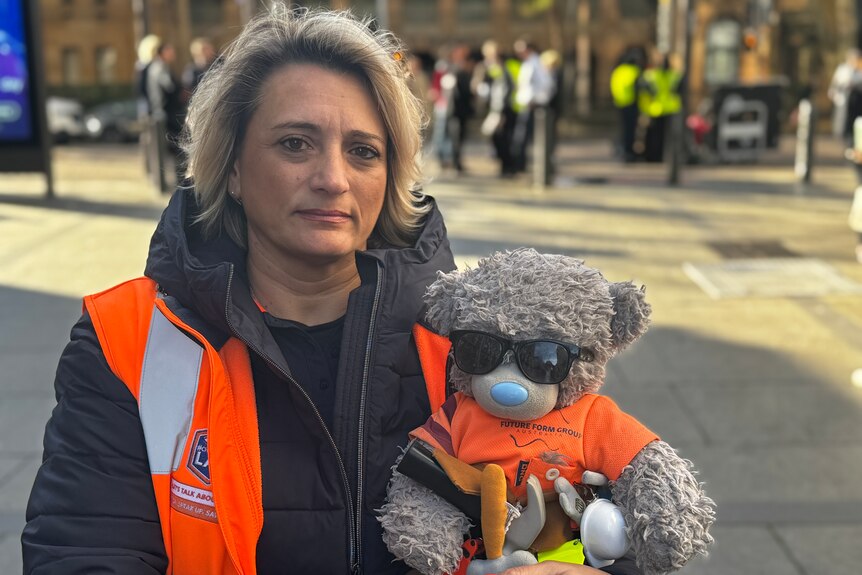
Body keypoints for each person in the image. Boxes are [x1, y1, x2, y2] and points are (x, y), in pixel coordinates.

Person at [21, 7, 458, 574]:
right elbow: (84, 550)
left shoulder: (468, 340)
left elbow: (581, 511)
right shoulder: (127, 342)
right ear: (230, 170)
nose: (333, 177)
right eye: (296, 144)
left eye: (363, 151)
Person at [511, 38, 555, 174]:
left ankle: (528, 166)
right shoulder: (528, 63)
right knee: (523, 137)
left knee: (528, 137)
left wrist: (535, 99)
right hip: (526, 105)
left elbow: (546, 84)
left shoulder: (536, 63)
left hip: (532, 106)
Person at [146, 41, 185, 192]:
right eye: (169, 50)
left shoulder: (159, 67)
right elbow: (169, 87)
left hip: (166, 113)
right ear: (162, 52)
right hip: (168, 114)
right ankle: (178, 183)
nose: (172, 52)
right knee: (175, 149)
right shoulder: (159, 68)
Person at [610, 48, 643, 163]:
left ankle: (622, 149)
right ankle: (629, 152)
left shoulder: (618, 71)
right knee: (630, 130)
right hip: (631, 104)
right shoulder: (634, 71)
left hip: (619, 103)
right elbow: (639, 88)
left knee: (623, 129)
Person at [829, 49, 860, 138]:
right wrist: (837, 97)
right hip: (843, 100)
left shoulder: (859, 70)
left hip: (856, 102)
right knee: (842, 124)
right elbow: (834, 86)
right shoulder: (842, 69)